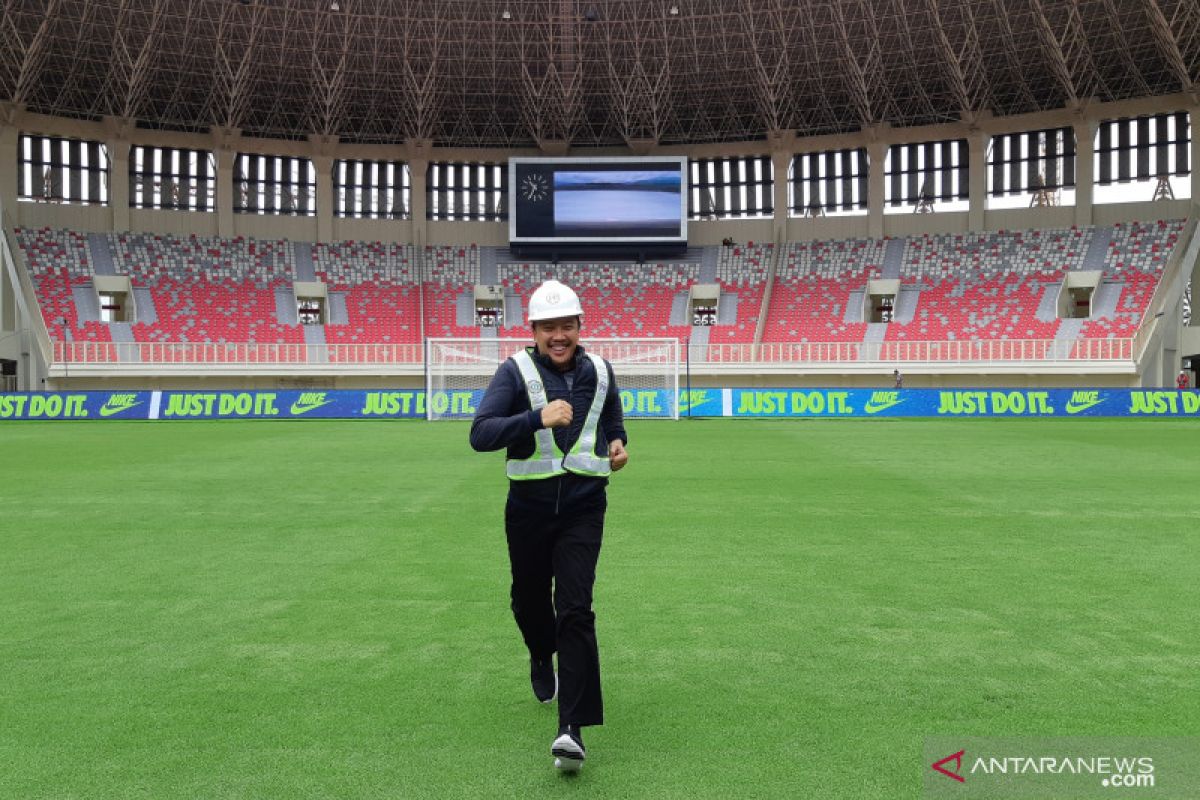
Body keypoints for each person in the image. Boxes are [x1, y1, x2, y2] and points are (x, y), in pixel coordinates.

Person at [469, 279, 628, 772]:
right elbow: (481, 434)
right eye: (548, 327)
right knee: (530, 600)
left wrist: (619, 443)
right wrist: (536, 417)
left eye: (567, 326)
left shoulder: (601, 369)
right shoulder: (513, 371)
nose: (559, 335)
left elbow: (612, 416)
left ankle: (571, 729)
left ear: (580, 327)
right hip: (530, 511)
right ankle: (541, 653)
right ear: (533, 330)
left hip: (584, 506)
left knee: (576, 609)